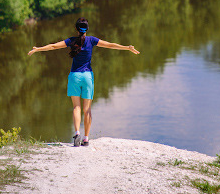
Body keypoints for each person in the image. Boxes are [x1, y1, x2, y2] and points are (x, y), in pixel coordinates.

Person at [28, 17, 140, 147]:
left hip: (74, 76)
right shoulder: (92, 40)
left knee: (76, 107)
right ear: (87, 29)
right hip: (87, 77)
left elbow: (53, 46)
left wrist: (38, 49)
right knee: (87, 109)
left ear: (76, 29)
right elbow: (110, 45)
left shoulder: (71, 41)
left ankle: (76, 133)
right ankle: (86, 139)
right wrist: (127, 47)